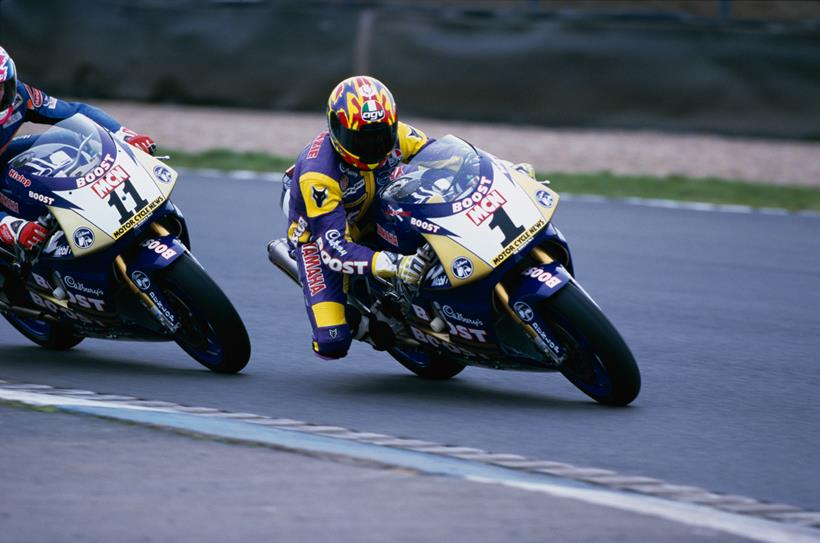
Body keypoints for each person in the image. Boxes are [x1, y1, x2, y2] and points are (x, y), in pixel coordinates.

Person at [282, 75, 433, 360]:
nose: (374, 146)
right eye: (361, 138)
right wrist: (395, 265)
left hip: (376, 213)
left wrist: (502, 169)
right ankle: (365, 324)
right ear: (336, 129)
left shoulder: (398, 134)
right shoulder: (319, 173)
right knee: (331, 344)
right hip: (322, 238)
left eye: (380, 134)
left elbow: (443, 156)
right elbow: (334, 249)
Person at [0, 45, 156, 251]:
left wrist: (123, 134)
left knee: (64, 139)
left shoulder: (20, 96)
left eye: (1, 86)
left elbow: (76, 112)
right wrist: (10, 226)